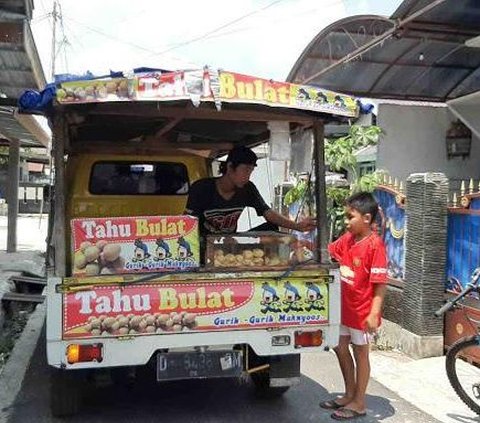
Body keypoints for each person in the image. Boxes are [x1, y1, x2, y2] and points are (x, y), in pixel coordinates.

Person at [320, 191, 387, 420]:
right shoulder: (348, 239)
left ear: (366, 219)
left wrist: (374, 313)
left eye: (350, 217)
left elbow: (380, 285)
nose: (346, 222)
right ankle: (349, 393)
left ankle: (359, 402)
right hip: (344, 309)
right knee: (340, 348)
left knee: (361, 355)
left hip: (362, 313)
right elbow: (328, 251)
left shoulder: (375, 245)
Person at [185, 145, 315, 237]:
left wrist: (297, 226)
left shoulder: (247, 188)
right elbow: (187, 222)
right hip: (203, 245)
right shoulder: (201, 188)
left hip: (229, 243)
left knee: (271, 227)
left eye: (251, 171)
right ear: (230, 167)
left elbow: (268, 213)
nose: (248, 176)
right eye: (246, 170)